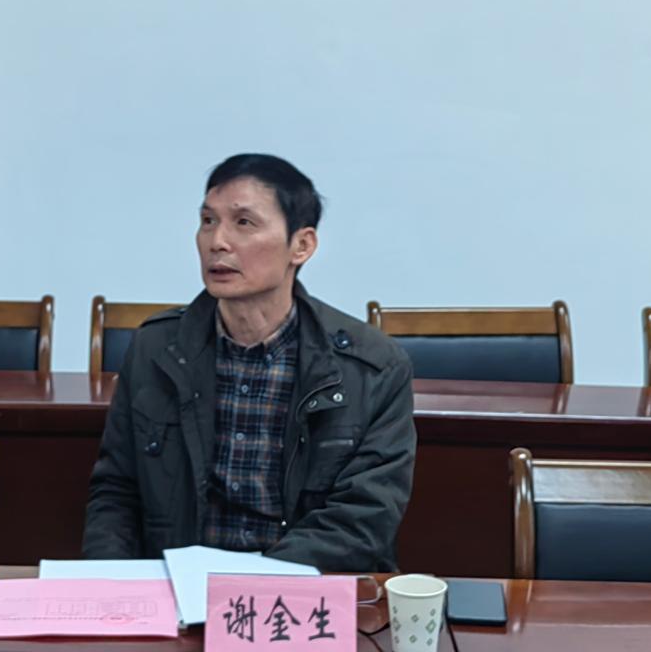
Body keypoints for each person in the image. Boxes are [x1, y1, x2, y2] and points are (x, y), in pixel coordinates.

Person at [82, 153, 415, 571]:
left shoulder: (372, 366)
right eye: (208, 221)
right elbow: (117, 492)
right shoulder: (156, 348)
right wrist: (111, 585)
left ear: (302, 245)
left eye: (243, 222)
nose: (217, 242)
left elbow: (362, 519)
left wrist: (248, 585)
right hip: (177, 590)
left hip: (301, 593)